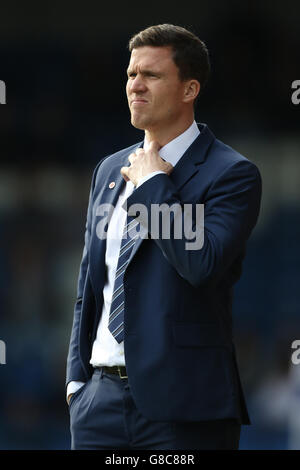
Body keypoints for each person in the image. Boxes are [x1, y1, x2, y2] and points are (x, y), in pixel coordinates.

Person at [66, 23, 262, 450]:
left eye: (151, 75)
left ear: (190, 89)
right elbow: (90, 284)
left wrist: (154, 186)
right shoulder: (108, 169)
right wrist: (76, 383)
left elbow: (200, 263)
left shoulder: (232, 174)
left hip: (185, 408)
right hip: (97, 407)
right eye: (131, 75)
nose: (135, 85)